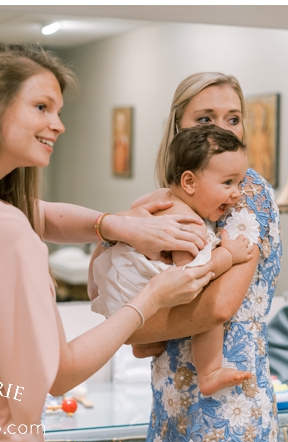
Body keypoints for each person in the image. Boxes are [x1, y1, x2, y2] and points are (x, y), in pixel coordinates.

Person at [0, 42, 216, 442]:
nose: (59, 124)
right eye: (42, 107)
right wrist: (150, 299)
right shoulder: (1, 229)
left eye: (58, 111)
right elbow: (60, 373)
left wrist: (113, 224)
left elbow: (38, 213)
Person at [112, 71, 283, 442]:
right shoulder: (182, 197)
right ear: (178, 128)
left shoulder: (245, 193)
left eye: (233, 118)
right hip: (172, 396)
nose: (224, 130)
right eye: (205, 119)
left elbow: (218, 307)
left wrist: (133, 326)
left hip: (228, 404)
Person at [91, 125, 260, 397]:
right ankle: (210, 372)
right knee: (205, 300)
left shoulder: (158, 197)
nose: (237, 193)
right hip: (134, 298)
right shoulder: (188, 222)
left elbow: (134, 211)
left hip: (113, 287)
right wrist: (228, 255)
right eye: (228, 183)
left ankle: (144, 346)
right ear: (189, 182)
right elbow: (191, 275)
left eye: (240, 183)